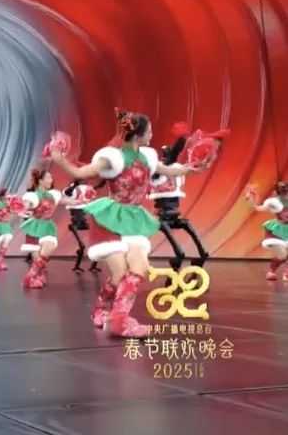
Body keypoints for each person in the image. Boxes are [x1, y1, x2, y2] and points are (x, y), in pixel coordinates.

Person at [51, 110, 198, 337]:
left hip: (134, 218)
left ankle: (119, 319)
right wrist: (59, 158)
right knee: (120, 274)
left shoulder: (147, 157)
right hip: (110, 218)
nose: (152, 134)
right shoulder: (113, 158)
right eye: (149, 131)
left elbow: (169, 170)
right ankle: (102, 309)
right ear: (138, 135)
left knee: (139, 268)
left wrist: (193, 167)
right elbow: (80, 172)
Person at [19, 169, 62, 289]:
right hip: (34, 227)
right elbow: (25, 206)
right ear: (40, 181)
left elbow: (64, 200)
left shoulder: (52, 195)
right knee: (37, 257)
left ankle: (30, 277)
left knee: (47, 250)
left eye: (51, 178)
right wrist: (23, 208)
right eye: (48, 178)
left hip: (47, 226)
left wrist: (80, 201)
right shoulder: (33, 196)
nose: (51, 180)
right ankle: (35, 277)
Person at [248, 181, 288, 281]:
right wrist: (252, 197)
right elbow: (258, 208)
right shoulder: (273, 202)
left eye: (285, 188)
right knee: (282, 255)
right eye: (281, 188)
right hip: (278, 230)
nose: (284, 190)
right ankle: (271, 271)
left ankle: (286, 273)